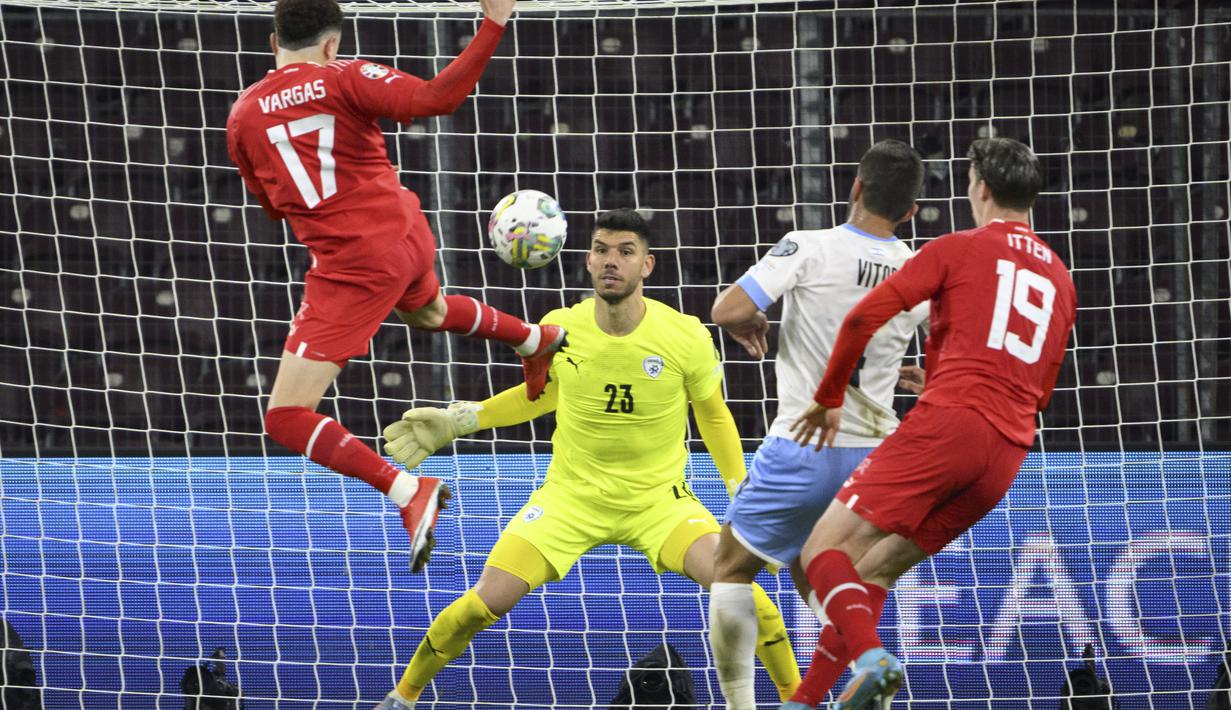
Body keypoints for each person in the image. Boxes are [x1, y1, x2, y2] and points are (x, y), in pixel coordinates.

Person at [376, 209, 800, 709]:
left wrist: (739, 490)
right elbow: (540, 396)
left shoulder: (685, 335)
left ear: (647, 265)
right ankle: (401, 698)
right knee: (480, 605)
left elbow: (713, 415)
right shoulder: (559, 329)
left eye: (625, 252)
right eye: (601, 249)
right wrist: (460, 421)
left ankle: (800, 700)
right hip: (570, 499)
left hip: (659, 503)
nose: (611, 261)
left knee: (752, 602)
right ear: (586, 260)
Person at [225, 0, 565, 574]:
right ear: (331, 43)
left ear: (271, 41)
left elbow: (271, 204)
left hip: (353, 262)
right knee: (428, 312)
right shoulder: (347, 74)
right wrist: (494, 24)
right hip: (407, 228)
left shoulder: (241, 116)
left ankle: (409, 492)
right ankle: (535, 338)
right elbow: (438, 99)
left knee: (285, 415)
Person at [784, 137, 1077, 710]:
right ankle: (807, 702)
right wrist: (943, 370)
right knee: (875, 571)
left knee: (823, 551)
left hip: (949, 426)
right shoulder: (1061, 278)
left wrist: (827, 397)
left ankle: (873, 662)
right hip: (1006, 455)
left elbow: (864, 316)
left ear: (981, 188)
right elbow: (1040, 387)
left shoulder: (957, 247)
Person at [706, 140, 929, 710]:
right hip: (874, 459)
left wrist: (751, 318)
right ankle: (865, 677)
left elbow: (727, 310)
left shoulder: (811, 246)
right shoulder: (918, 268)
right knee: (824, 582)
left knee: (730, 569)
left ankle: (740, 706)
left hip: (805, 442)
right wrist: (902, 368)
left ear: (855, 187)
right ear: (910, 212)